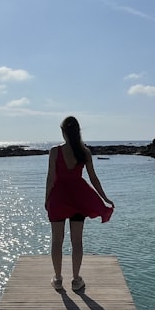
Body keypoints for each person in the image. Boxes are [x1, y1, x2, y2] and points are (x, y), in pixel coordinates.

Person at [45, 116, 114, 291]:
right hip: (79, 198)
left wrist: (47, 199)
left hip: (58, 197)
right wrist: (104, 197)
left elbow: (51, 178)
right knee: (77, 241)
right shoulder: (84, 152)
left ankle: (58, 279)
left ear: (63, 132)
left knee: (56, 241)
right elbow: (93, 178)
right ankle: (76, 280)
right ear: (78, 132)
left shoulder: (55, 151)